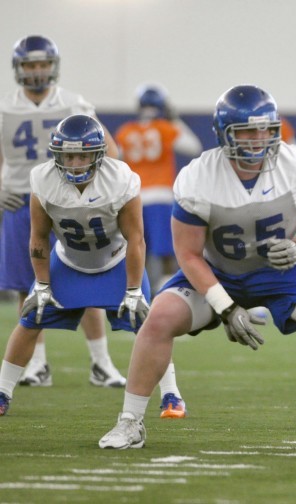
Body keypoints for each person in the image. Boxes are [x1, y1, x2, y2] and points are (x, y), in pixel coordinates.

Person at [99, 84, 296, 449]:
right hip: (218, 270)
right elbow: (188, 255)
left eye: (265, 129)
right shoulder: (199, 176)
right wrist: (225, 307)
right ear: (223, 133)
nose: (257, 139)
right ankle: (130, 421)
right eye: (246, 131)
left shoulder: (293, 164)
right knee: (159, 318)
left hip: (282, 270)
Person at [0, 114, 150, 417]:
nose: (75, 162)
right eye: (68, 155)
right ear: (57, 154)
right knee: (32, 315)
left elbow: (136, 239)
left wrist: (134, 288)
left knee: (151, 324)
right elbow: (39, 237)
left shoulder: (120, 178)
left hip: (116, 257)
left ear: (98, 154)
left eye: (83, 155)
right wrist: (41, 284)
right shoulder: (44, 178)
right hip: (68, 257)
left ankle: (171, 394)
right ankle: (2, 391)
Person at [0, 35, 126, 389]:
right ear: (18, 68)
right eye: (29, 64)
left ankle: (101, 363)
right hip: (22, 199)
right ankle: (36, 364)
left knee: (87, 277)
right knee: (28, 286)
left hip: (71, 200)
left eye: (42, 64)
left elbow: (109, 152)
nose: (36, 71)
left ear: (52, 66)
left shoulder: (74, 103)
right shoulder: (5, 107)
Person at [115, 84, 202, 295]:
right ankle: (167, 292)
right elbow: (194, 147)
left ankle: (138, 290)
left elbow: (113, 159)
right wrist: (175, 119)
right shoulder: (165, 128)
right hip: (161, 196)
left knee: (137, 246)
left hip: (134, 196)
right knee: (165, 253)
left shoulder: (126, 131)